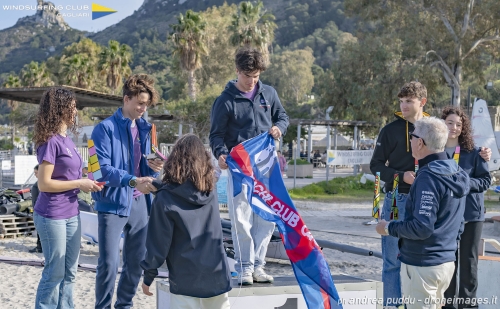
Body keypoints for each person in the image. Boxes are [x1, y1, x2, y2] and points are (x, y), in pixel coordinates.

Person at [369, 82, 490, 308]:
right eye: (401, 101)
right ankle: (392, 305)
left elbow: (457, 147)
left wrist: (482, 152)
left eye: (409, 101)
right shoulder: (390, 130)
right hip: (399, 198)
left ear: (422, 103)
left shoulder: (432, 128)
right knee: (393, 263)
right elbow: (375, 166)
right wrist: (400, 175)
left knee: (427, 263)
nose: (404, 106)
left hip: (429, 192)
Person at [209, 47, 289, 285]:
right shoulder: (224, 101)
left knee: (267, 217)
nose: (251, 81)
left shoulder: (269, 93)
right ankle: (244, 267)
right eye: (247, 76)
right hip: (239, 169)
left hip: (266, 167)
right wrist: (221, 155)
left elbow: (283, 117)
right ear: (237, 71)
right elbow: (216, 136)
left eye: (255, 76)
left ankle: (258, 266)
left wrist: (279, 129)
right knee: (241, 218)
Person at [376, 117, 470, 309]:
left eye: (412, 136)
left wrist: (388, 228)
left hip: (423, 265)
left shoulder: (428, 177)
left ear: (420, 142)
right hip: (445, 263)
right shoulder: (457, 172)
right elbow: (459, 222)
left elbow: (421, 227)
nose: (409, 140)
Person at [91, 74, 164, 309]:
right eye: (140, 103)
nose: (143, 108)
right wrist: (133, 181)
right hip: (112, 204)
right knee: (108, 264)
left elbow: (146, 169)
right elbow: (99, 171)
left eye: (146, 104)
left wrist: (155, 167)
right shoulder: (102, 129)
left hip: (140, 203)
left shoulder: (148, 129)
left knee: (136, 262)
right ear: (126, 99)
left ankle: (124, 305)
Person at [140, 134, 231, 308]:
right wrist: (160, 187)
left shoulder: (164, 199)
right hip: (217, 274)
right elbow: (186, 191)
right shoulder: (210, 191)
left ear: (174, 160)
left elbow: (158, 243)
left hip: (185, 278)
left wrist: (149, 274)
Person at [33, 87, 103, 309]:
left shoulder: (67, 140)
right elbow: (44, 183)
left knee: (70, 272)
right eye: (72, 106)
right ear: (60, 108)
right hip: (52, 214)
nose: (76, 110)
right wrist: (79, 183)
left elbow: (67, 174)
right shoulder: (50, 141)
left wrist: (87, 179)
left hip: (72, 213)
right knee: (54, 272)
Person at [441, 107, 491, 309]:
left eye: (459, 124)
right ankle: (447, 304)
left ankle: (468, 305)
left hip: (471, 215)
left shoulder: (476, 152)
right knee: (448, 263)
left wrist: (465, 183)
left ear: (464, 128)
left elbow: (485, 181)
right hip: (446, 217)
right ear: (442, 124)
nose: (454, 127)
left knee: (469, 264)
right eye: (450, 122)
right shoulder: (435, 150)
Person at [29, 164, 42, 254]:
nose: (35, 174)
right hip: (37, 209)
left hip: (40, 210)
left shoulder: (41, 184)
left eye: (36, 172)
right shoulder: (38, 183)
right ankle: (39, 246)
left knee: (40, 231)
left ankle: (39, 247)